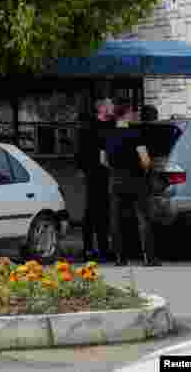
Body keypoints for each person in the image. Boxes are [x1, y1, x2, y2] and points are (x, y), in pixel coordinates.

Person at [102, 98, 159, 267]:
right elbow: (146, 161)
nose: (134, 115)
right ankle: (149, 258)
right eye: (132, 112)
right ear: (126, 114)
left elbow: (103, 160)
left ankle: (120, 259)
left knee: (116, 221)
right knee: (143, 219)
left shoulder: (108, 134)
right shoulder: (136, 134)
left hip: (116, 181)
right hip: (136, 181)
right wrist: (143, 167)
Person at [77, 99, 114, 262]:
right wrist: (82, 170)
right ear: (102, 108)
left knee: (105, 212)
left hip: (109, 173)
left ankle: (104, 248)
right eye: (110, 105)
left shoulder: (113, 124)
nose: (112, 107)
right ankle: (88, 248)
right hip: (93, 172)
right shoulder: (89, 126)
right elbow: (81, 150)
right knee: (92, 211)